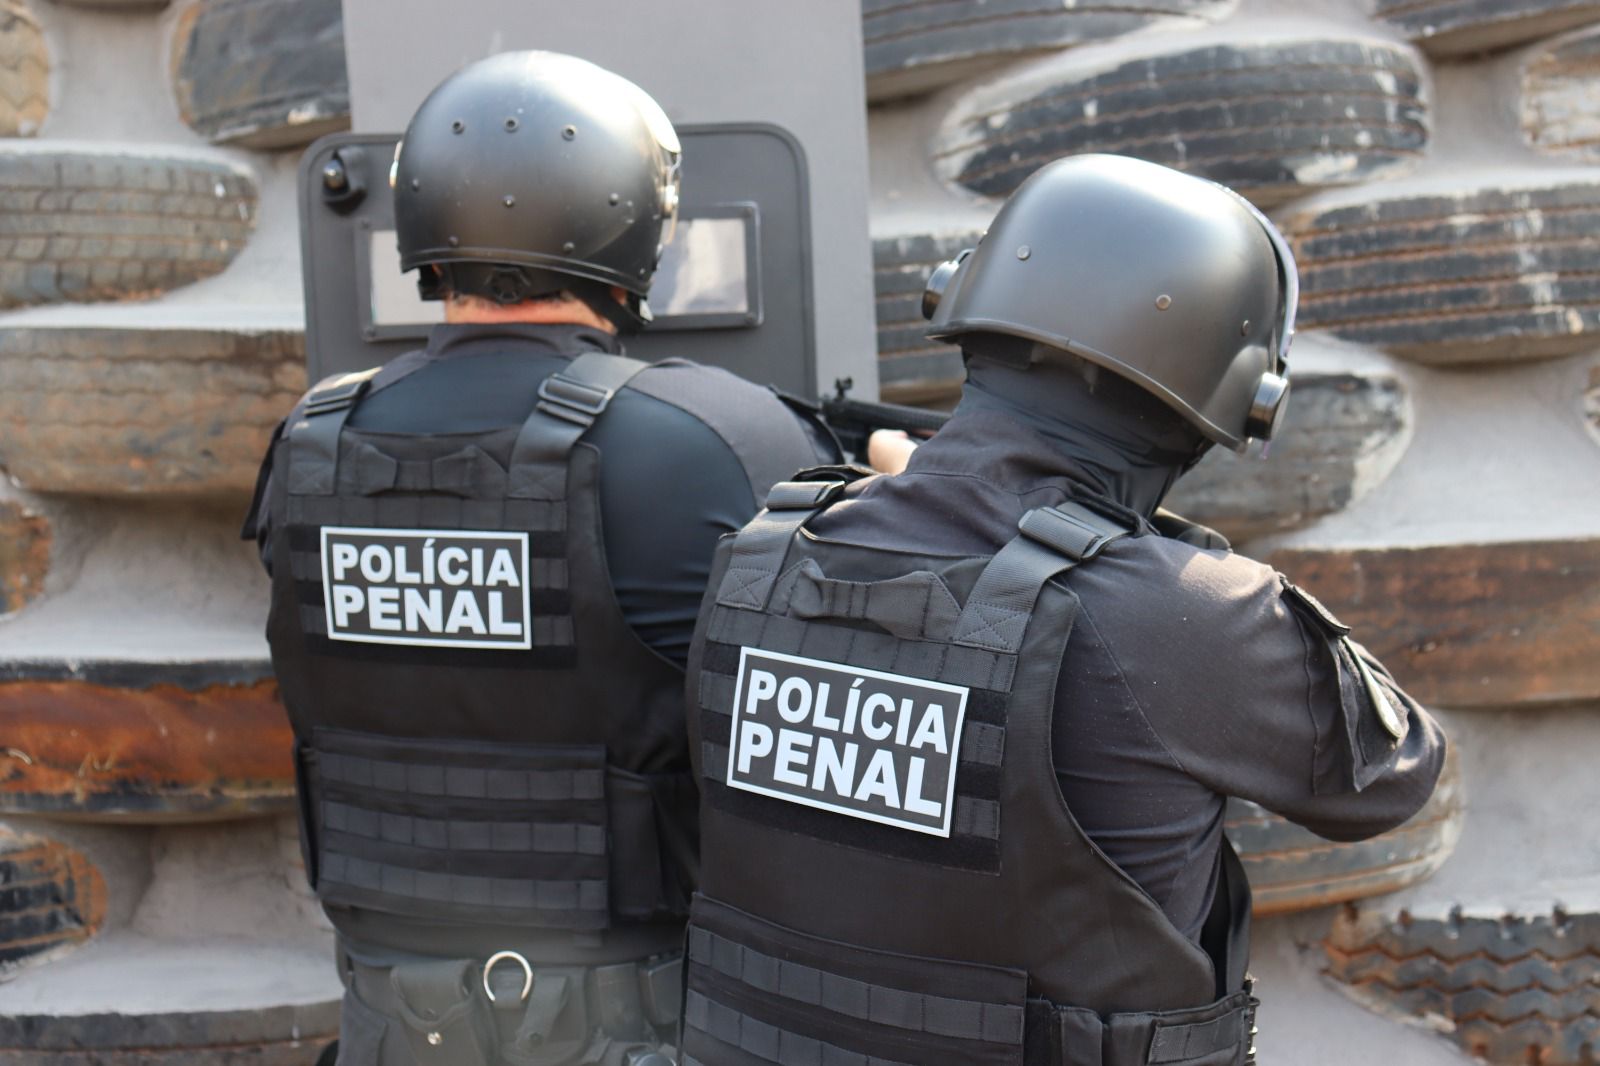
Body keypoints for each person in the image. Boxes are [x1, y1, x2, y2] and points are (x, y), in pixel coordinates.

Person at [680, 154, 1446, 1065]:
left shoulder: (759, 558)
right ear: (1239, 398)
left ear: (969, 305)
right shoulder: (1188, 615)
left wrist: (924, 489)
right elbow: (1393, 775)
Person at [243, 51, 844, 1066]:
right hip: (647, 1024)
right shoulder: (714, 436)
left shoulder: (312, 445)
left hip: (393, 1027)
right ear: (633, 223)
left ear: (427, 229)